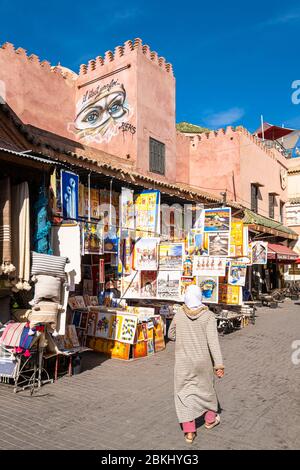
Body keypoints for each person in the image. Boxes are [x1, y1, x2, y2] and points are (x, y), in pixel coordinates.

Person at [168, 284, 224, 444]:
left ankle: (189, 433)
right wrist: (219, 365)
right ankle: (210, 420)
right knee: (206, 391)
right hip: (203, 362)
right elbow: (213, 343)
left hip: (183, 362)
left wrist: (183, 338)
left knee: (183, 394)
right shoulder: (208, 316)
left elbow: (170, 334)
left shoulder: (180, 313)